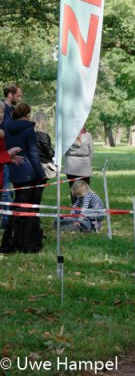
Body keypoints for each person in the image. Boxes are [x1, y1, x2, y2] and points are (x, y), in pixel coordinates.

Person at [1, 103, 46, 253]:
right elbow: (33, 154)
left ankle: (11, 240)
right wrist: (42, 174)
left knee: (17, 206)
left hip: (15, 170)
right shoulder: (28, 129)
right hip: (29, 171)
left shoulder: (7, 127)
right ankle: (27, 243)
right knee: (29, 208)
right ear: (27, 114)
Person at [0, 84, 22, 227]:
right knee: (5, 192)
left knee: (6, 191)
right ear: (10, 94)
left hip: (6, 161)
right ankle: (6, 220)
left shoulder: (13, 111)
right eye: (18, 95)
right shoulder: (5, 111)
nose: (1, 115)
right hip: (4, 158)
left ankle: (6, 219)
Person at [62, 127, 94, 205]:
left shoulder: (67, 136)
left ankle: (75, 208)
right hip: (84, 164)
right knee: (85, 189)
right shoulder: (88, 136)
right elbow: (91, 152)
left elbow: (64, 150)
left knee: (73, 189)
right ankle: (85, 207)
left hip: (71, 165)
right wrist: (88, 162)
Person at [33, 111, 55, 206]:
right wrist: (55, 153)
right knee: (38, 193)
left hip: (31, 165)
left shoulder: (29, 134)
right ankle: (34, 217)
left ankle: (28, 218)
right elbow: (49, 153)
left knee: (30, 192)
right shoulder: (44, 136)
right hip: (43, 166)